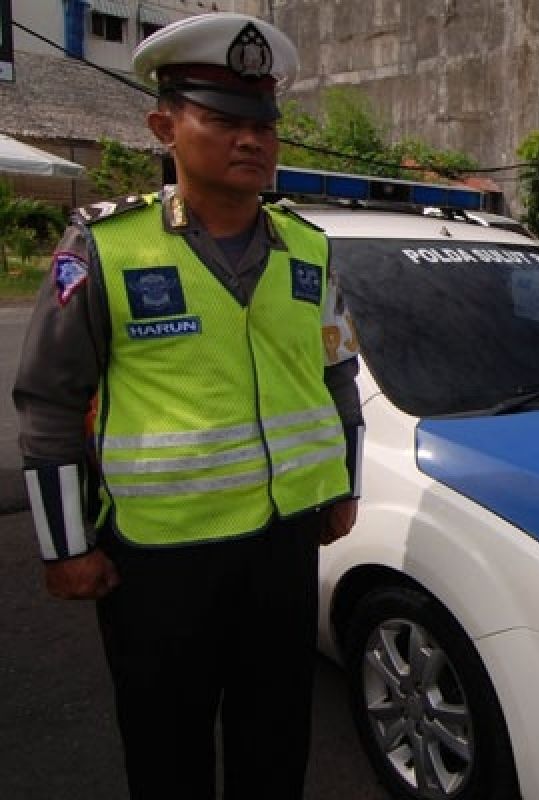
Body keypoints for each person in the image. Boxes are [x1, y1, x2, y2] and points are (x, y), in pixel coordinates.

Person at [12, 13, 364, 800]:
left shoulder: (308, 247)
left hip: (282, 544)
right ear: (164, 125)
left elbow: (339, 375)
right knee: (165, 744)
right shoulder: (106, 246)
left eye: (265, 124)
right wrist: (67, 547)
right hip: (159, 559)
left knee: (276, 738)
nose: (253, 141)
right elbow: (48, 402)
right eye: (226, 120)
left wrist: (344, 486)